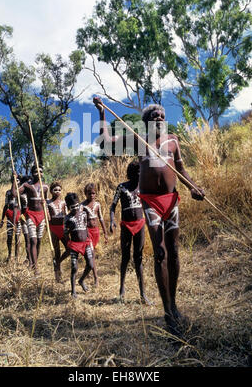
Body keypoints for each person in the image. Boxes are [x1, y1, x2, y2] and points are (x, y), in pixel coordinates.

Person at [93, 97, 205, 333]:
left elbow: (182, 170)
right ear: (145, 122)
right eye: (154, 116)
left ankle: (174, 305)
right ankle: (167, 312)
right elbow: (106, 142)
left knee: (174, 251)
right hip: (151, 203)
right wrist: (102, 112)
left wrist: (193, 187)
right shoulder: (139, 141)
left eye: (162, 115)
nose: (159, 118)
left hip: (171, 200)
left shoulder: (173, 141)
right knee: (160, 252)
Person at [110, 160, 151, 305]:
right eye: (137, 173)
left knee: (138, 257)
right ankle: (121, 290)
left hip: (140, 224)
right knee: (125, 257)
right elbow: (113, 206)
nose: (139, 176)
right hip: (126, 225)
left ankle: (143, 294)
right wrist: (111, 220)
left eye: (141, 173)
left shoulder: (143, 186)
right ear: (131, 174)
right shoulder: (121, 187)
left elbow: (150, 203)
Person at [12, 165, 48, 275]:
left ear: (42, 173)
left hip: (41, 216)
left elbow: (45, 201)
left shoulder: (45, 187)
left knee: (39, 241)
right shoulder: (27, 185)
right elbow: (15, 194)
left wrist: (46, 210)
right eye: (36, 172)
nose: (38, 173)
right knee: (33, 240)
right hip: (31, 215)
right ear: (32, 173)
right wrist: (14, 179)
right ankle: (35, 267)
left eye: (40, 171)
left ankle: (34, 261)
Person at [64, 193, 94, 298]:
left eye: (77, 206)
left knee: (90, 264)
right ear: (68, 207)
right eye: (73, 207)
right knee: (74, 267)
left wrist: (89, 241)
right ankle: (73, 291)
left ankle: (81, 280)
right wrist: (68, 244)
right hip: (74, 245)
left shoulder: (84, 214)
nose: (75, 208)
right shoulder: (67, 218)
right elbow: (65, 233)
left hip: (86, 243)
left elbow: (86, 227)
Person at [82, 183, 108, 286]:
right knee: (91, 254)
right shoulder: (82, 206)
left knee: (90, 254)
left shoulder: (97, 205)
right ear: (85, 194)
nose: (91, 195)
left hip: (96, 231)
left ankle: (88, 270)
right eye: (89, 194)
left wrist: (105, 233)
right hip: (87, 232)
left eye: (93, 193)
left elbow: (101, 218)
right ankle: (96, 278)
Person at [47, 181, 70, 282]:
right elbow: (47, 216)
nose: (57, 191)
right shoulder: (47, 202)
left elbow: (67, 214)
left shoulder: (64, 203)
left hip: (63, 228)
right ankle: (57, 275)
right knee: (56, 251)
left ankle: (58, 262)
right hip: (53, 229)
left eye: (59, 190)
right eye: (55, 190)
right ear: (51, 191)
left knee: (69, 249)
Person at [0, 175, 22, 263]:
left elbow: (24, 206)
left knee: (17, 237)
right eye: (14, 180)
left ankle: (17, 257)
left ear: (20, 181)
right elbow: (6, 206)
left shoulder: (22, 191)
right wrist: (2, 220)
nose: (16, 182)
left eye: (17, 180)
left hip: (18, 216)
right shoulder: (8, 192)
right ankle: (9, 255)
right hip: (10, 216)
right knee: (9, 237)